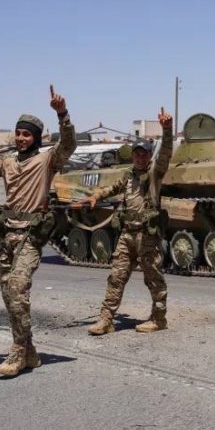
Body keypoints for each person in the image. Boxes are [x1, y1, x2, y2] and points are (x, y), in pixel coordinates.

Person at [0, 85, 76, 377]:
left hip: (30, 237)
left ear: (35, 137)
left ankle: (17, 351)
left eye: (27, 134)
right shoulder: (7, 162)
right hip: (7, 236)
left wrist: (62, 114)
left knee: (17, 290)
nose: (21, 138)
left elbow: (68, 145)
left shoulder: (47, 159)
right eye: (18, 133)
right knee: (8, 295)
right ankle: (30, 351)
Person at [83, 109, 173, 335]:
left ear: (149, 156)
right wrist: (96, 196)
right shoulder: (128, 176)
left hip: (147, 236)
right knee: (116, 277)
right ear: (132, 156)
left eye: (144, 155)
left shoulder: (155, 173)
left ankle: (159, 319)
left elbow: (166, 153)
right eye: (137, 154)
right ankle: (106, 319)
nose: (140, 158)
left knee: (153, 279)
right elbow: (112, 188)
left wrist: (167, 130)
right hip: (127, 234)